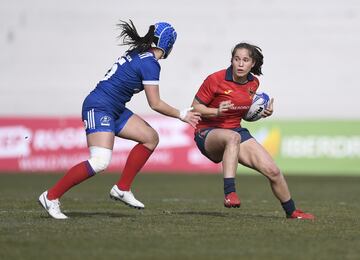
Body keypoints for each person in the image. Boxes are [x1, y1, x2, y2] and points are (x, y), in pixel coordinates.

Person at [38, 20, 201, 219]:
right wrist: (181, 114)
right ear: (169, 45)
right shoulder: (150, 63)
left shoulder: (139, 54)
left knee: (150, 138)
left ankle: (122, 188)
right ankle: (51, 196)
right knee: (99, 161)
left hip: (114, 107)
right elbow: (155, 103)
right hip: (99, 106)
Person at [191, 42, 314, 219]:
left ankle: (292, 211)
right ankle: (230, 193)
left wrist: (261, 113)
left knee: (273, 171)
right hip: (207, 132)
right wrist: (216, 111)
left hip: (235, 131)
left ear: (252, 64)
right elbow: (195, 108)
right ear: (231, 61)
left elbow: (245, 113)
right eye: (237, 59)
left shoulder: (253, 83)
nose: (240, 64)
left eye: (245, 60)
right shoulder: (215, 79)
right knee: (233, 137)